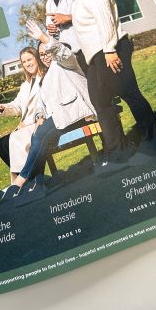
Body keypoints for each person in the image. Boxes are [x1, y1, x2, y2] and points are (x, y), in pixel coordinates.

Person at [61, 0, 156, 158]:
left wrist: (109, 50)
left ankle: (155, 139)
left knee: (128, 92)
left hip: (110, 50)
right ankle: (118, 151)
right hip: (96, 57)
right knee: (100, 101)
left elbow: (105, 21)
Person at [12, 20, 96, 187]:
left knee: (41, 133)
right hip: (62, 118)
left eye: (47, 52)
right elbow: (41, 104)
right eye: (42, 55)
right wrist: (40, 115)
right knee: (39, 134)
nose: (45, 57)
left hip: (78, 113)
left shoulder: (66, 63)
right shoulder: (46, 77)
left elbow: (61, 52)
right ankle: (33, 182)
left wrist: (43, 37)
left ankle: (22, 181)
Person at [0, 46, 47, 181]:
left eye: (29, 59)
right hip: (26, 127)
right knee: (0, 145)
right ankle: (28, 179)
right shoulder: (25, 85)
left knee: (13, 140)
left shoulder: (45, 78)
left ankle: (29, 179)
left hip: (39, 124)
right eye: (24, 62)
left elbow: (44, 106)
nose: (27, 64)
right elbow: (17, 106)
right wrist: (2, 108)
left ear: (37, 58)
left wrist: (30, 122)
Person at [39, 0, 83, 65]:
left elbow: (88, 13)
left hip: (84, 48)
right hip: (67, 56)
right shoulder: (49, 2)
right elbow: (52, 30)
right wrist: (51, 30)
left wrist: (67, 18)